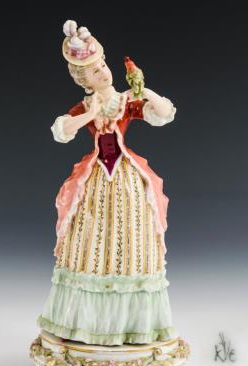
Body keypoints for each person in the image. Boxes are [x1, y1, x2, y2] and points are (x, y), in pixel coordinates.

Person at [37, 20, 178, 346]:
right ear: (85, 80)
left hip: (126, 178)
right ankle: (88, 324)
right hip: (96, 177)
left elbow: (162, 113)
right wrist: (90, 115)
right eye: (95, 72)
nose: (103, 73)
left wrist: (145, 91)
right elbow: (62, 130)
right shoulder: (86, 107)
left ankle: (131, 323)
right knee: (90, 237)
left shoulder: (126, 101)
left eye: (102, 66)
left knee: (133, 236)